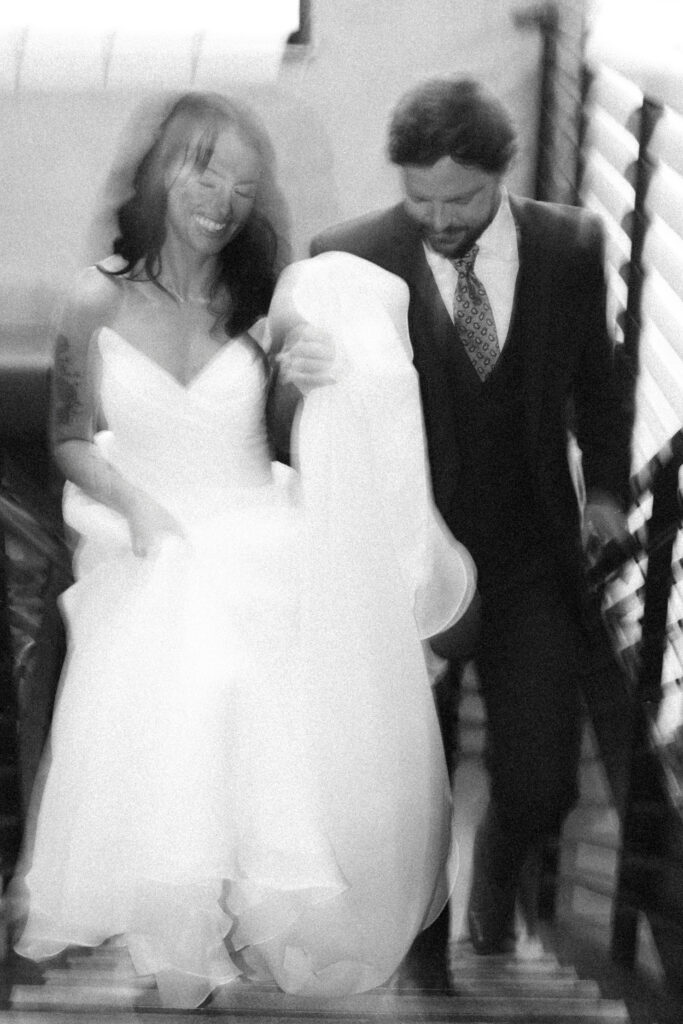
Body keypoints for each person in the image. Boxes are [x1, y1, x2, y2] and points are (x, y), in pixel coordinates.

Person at [12, 91, 475, 1007]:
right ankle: (176, 949)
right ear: (158, 171)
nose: (222, 199)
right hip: (146, 535)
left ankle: (235, 932)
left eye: (242, 184)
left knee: (250, 726)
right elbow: (68, 437)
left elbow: (321, 413)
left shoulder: (264, 296)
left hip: (256, 534)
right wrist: (132, 503)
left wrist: (319, 378)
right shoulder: (93, 296)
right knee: (178, 652)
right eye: (204, 170)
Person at [298, 77, 634, 979]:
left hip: (528, 557)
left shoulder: (570, 245)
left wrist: (603, 488)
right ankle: (419, 942)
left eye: (463, 199)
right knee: (411, 780)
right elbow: (299, 414)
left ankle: (496, 873)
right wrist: (296, 370)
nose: (439, 218)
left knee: (542, 777)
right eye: (419, 199)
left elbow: (598, 385)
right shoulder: (348, 256)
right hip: (404, 562)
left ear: (501, 174)